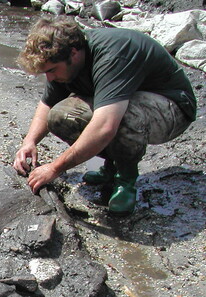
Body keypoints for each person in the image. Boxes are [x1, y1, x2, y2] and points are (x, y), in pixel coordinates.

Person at [12, 16, 196, 214]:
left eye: (52, 71)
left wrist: (55, 168)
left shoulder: (113, 55)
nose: (50, 78)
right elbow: (47, 104)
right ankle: (111, 168)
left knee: (119, 114)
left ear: (73, 54)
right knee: (60, 115)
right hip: (132, 101)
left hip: (172, 108)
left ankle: (126, 180)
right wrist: (29, 142)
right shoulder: (65, 61)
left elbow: (105, 126)